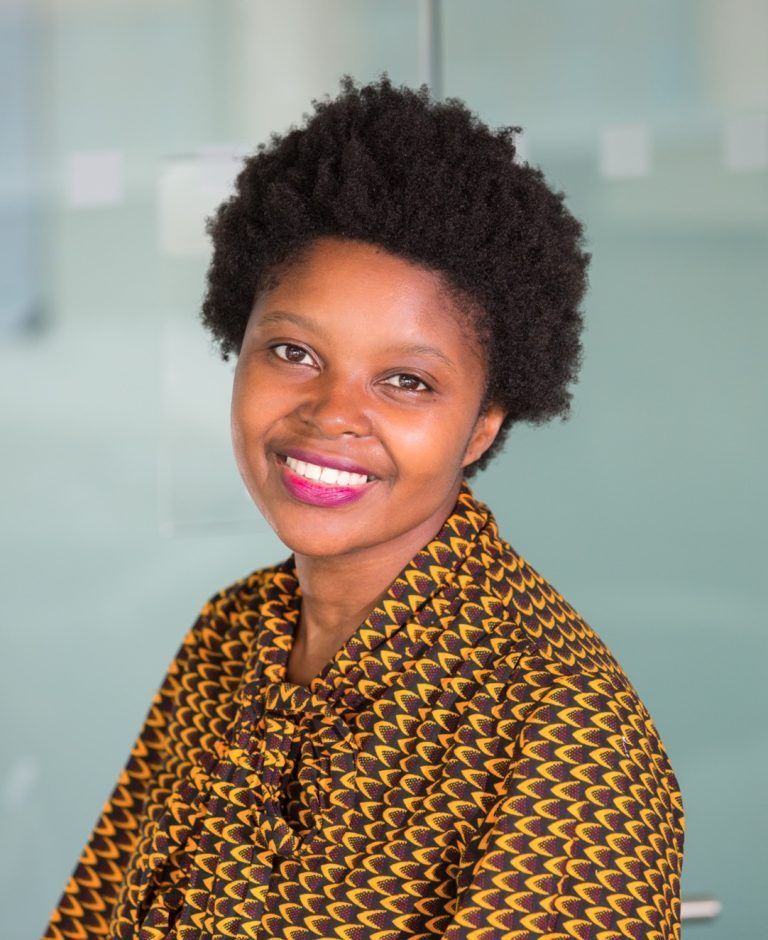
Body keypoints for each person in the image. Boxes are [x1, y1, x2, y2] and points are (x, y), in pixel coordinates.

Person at [41, 73, 684, 940]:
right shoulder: (230, 639)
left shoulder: (562, 737)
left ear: (482, 425)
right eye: (295, 352)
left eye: (406, 381)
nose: (332, 414)